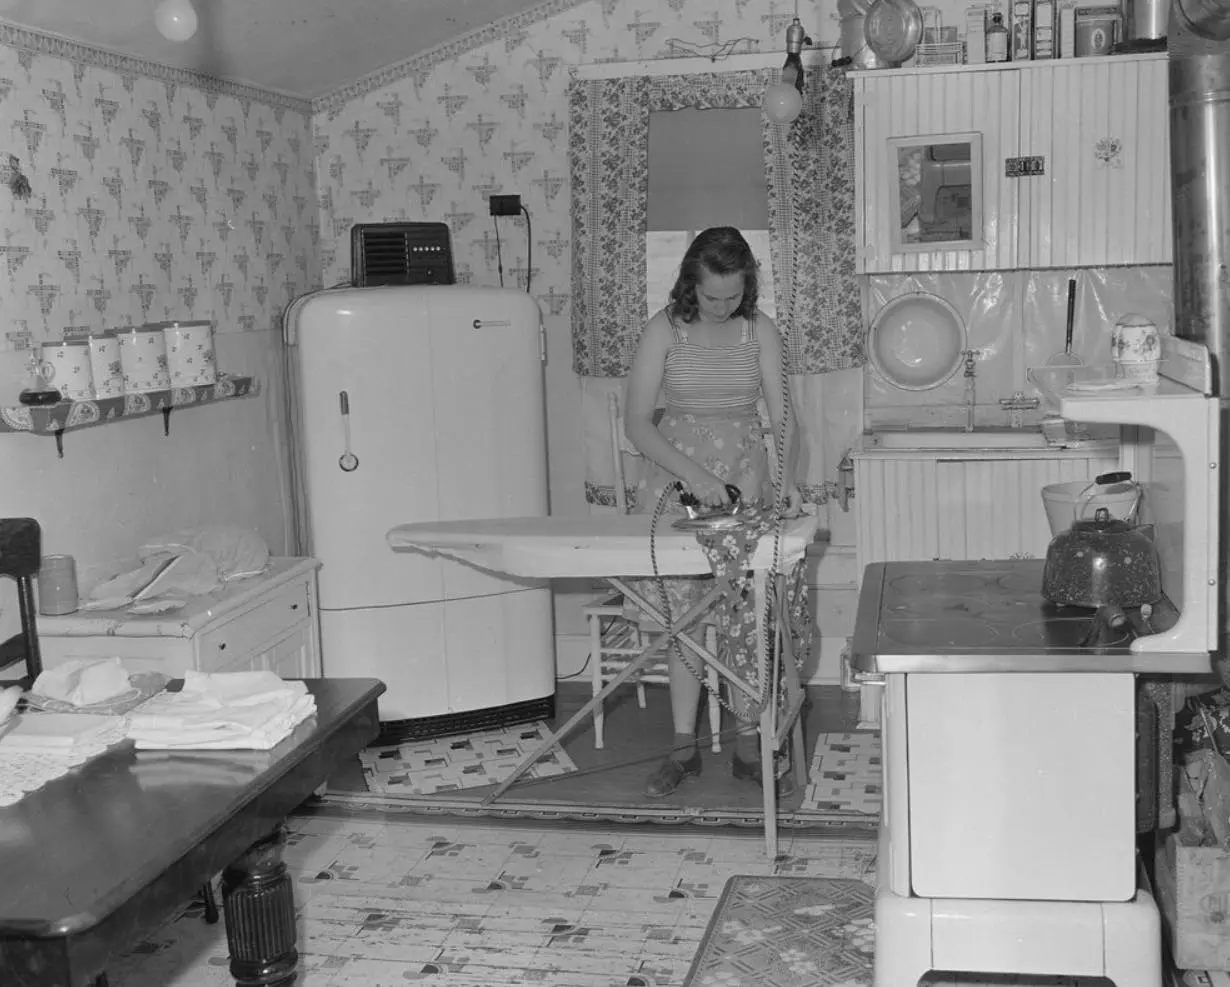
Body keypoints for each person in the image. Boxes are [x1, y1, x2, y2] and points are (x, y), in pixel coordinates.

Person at [623, 226, 802, 799]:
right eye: (711, 297)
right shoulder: (664, 329)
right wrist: (694, 474)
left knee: (747, 614)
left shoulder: (759, 331)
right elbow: (635, 423)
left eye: (733, 295)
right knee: (686, 617)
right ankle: (683, 746)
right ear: (689, 286)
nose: (723, 307)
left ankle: (751, 738)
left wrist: (787, 479)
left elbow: (784, 418)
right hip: (676, 476)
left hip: (745, 476)